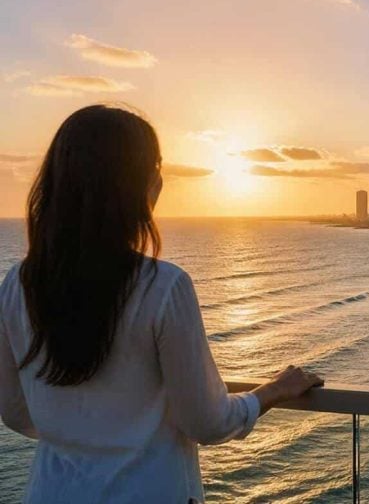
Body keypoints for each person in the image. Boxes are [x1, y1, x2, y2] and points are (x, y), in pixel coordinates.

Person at [0, 104, 324, 503]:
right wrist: (272, 391)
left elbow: (16, 412)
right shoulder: (163, 286)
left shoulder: (17, 284)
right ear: (132, 184)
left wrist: (81, 431)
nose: (160, 178)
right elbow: (206, 422)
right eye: (155, 166)